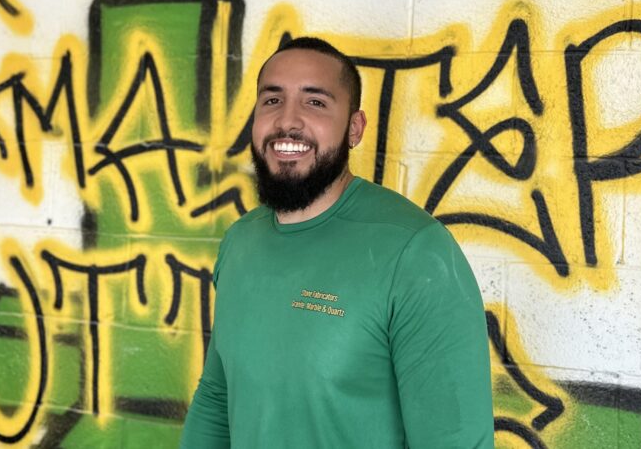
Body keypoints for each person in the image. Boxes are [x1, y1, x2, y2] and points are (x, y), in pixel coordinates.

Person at [180, 37, 494, 448]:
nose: (287, 122)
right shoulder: (240, 243)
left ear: (354, 128)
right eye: (272, 101)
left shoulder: (416, 252)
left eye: (315, 103)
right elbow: (217, 398)